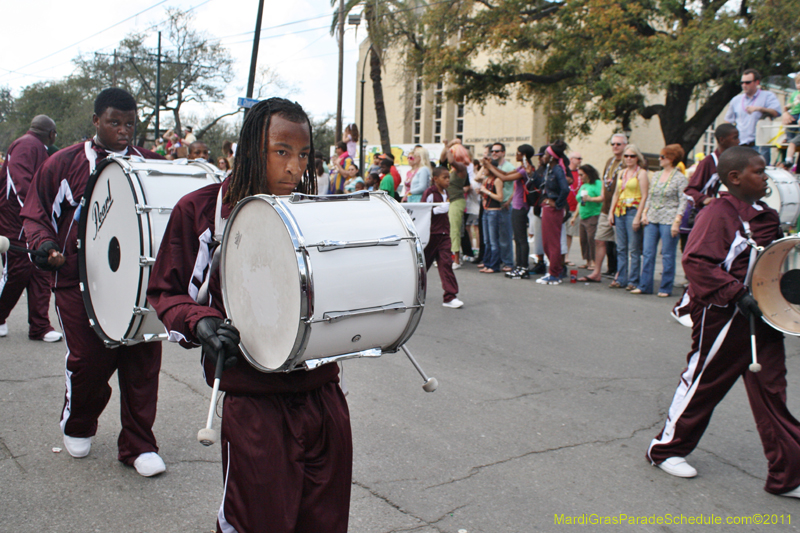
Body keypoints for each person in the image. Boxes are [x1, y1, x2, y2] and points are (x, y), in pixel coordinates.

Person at [147, 97, 353, 532]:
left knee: (326, 522)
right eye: (281, 152)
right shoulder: (201, 210)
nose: (295, 167)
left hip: (323, 393)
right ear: (251, 151)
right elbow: (166, 292)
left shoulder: (314, 211)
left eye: (304, 154)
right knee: (254, 523)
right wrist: (199, 322)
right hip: (255, 401)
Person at [20, 88, 165, 476]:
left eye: (130, 123)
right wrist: (45, 245)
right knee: (89, 363)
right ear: (97, 120)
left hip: (138, 283)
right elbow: (36, 214)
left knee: (142, 364)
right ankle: (79, 423)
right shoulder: (63, 163)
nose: (124, 130)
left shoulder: (150, 164)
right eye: (115, 122)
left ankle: (139, 445)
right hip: (78, 282)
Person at [647, 146, 800, 499]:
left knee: (772, 394)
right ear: (735, 178)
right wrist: (736, 294)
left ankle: (787, 476)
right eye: (758, 171)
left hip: (762, 317)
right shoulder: (717, 213)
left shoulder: (767, 215)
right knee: (703, 384)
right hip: (724, 316)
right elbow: (697, 262)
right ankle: (665, 450)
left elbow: (769, 263)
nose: (766, 176)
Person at [0, 115, 62, 342]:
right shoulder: (27, 145)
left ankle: (40, 326)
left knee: (40, 268)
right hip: (15, 219)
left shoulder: (33, 146)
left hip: (28, 218)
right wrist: (36, 210)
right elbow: (20, 183)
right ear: (51, 134)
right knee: (16, 271)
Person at [633, 144, 687, 297]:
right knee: (648, 252)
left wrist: (677, 221)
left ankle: (665, 287)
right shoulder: (656, 175)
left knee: (668, 254)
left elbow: (683, 201)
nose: (659, 159)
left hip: (669, 218)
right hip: (652, 217)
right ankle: (645, 285)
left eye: (662, 157)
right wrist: (645, 213)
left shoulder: (680, 178)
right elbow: (650, 196)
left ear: (671, 159)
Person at [483, 144, 535, 279]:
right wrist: (490, 166)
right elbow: (505, 174)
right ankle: (519, 266)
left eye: (518, 153)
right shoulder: (521, 168)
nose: (516, 155)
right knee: (517, 238)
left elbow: (505, 178)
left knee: (521, 238)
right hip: (517, 205)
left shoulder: (526, 170)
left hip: (521, 205)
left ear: (524, 155)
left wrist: (490, 167)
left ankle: (523, 267)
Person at [608, 143, 649, 290]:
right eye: (626, 156)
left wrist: (638, 216)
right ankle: (621, 278)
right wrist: (611, 212)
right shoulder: (621, 173)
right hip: (620, 210)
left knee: (633, 248)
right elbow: (616, 194)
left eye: (632, 156)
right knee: (621, 247)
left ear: (637, 158)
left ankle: (633, 280)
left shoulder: (641, 173)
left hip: (633, 209)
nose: (629, 158)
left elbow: (644, 196)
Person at [422, 166, 464, 308]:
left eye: (448, 177)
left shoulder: (446, 193)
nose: (448, 180)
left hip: (444, 234)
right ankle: (411, 292)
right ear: (435, 179)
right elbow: (422, 212)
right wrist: (435, 211)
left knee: (446, 264)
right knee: (422, 266)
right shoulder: (429, 193)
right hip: (431, 235)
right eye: (444, 177)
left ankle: (450, 297)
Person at [724, 68, 781, 164]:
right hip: (740, 146)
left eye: (747, 82)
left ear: (757, 82)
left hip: (759, 145)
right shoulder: (736, 100)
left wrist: (760, 109)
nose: (744, 85)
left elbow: (776, 112)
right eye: (742, 83)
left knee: (760, 170)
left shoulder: (767, 96)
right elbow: (728, 121)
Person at [533, 141, 570, 285]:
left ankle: (554, 273)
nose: (543, 156)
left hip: (553, 209)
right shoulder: (550, 169)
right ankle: (554, 271)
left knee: (553, 242)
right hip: (547, 207)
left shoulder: (558, 170)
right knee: (547, 242)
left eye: (546, 154)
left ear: (552, 156)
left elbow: (565, 189)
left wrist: (558, 204)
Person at [440, 140, 471, 269]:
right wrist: (447, 147)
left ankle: (456, 260)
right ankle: (450, 256)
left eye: (452, 152)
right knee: (448, 229)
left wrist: (448, 147)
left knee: (454, 230)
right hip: (450, 201)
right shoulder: (452, 170)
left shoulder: (461, 167)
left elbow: (451, 161)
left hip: (457, 201)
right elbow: (443, 160)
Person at [571, 164, 602, 275]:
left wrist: (590, 199)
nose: (580, 177)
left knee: (591, 239)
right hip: (583, 215)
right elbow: (580, 202)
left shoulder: (597, 184)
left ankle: (594, 261)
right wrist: (575, 216)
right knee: (583, 239)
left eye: (582, 175)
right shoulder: (584, 186)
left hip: (593, 214)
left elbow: (602, 198)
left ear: (588, 174)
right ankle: (587, 260)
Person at [478, 157, 505, 274]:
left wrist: (486, 191)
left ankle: (494, 265)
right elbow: (477, 177)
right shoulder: (487, 180)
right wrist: (481, 192)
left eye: (485, 168)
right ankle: (487, 263)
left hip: (494, 211)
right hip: (486, 210)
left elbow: (500, 198)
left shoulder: (497, 180)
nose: (483, 170)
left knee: (493, 240)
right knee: (486, 240)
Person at [564, 152, 583, 266]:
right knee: (561, 232)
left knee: (569, 233)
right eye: (578, 158)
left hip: (575, 208)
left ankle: (566, 256)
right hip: (564, 206)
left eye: (581, 158)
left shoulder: (580, 173)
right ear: (571, 159)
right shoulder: (565, 172)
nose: (580, 160)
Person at [780, 74, 800, 169]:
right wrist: (786, 110)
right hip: (794, 113)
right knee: (790, 123)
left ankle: (789, 160)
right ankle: (788, 138)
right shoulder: (794, 94)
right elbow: (791, 104)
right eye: (798, 83)